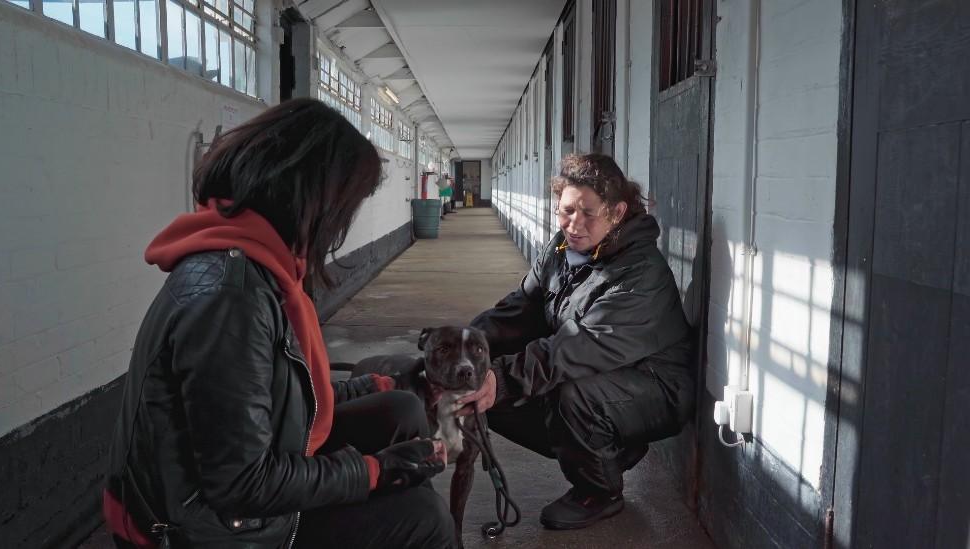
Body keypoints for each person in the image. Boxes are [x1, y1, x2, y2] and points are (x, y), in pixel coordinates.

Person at [104, 98, 455, 549]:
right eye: (347, 206)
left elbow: (278, 396)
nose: (343, 223)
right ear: (314, 199)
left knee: (402, 409)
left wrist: (382, 385)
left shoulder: (258, 265)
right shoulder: (230, 301)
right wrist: (376, 472)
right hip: (198, 531)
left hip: (222, 501)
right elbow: (244, 485)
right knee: (421, 518)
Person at [460, 153, 695, 531]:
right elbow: (522, 305)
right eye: (566, 210)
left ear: (617, 213)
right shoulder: (561, 249)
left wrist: (500, 379)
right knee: (481, 380)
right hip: (609, 374)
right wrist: (469, 347)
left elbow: (579, 345)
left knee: (571, 391)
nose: (574, 224)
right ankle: (606, 449)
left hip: (656, 386)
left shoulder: (639, 273)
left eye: (588, 213)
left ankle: (599, 490)